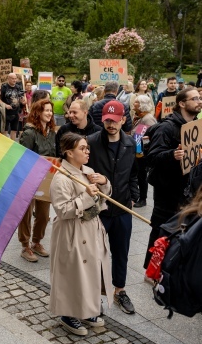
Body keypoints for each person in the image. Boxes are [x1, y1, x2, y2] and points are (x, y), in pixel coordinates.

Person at [50, 132, 112, 337]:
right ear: (69, 152)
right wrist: (86, 196)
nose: (87, 151)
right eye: (82, 148)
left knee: (91, 271)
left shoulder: (88, 171)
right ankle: (68, 314)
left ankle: (87, 310)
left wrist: (103, 182)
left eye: (87, 148)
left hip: (91, 227)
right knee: (73, 273)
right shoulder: (61, 178)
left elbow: (101, 199)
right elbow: (63, 209)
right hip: (72, 232)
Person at [86, 100, 139, 315]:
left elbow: (134, 173)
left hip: (123, 207)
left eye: (115, 120)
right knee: (93, 251)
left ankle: (120, 290)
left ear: (123, 120)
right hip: (99, 207)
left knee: (121, 251)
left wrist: (134, 196)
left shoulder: (129, 143)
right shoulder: (91, 141)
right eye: (107, 120)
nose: (111, 125)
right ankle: (90, 294)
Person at [143, 88, 201, 276]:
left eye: (199, 98)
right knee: (161, 229)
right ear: (182, 103)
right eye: (195, 99)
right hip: (167, 190)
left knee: (181, 229)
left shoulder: (195, 126)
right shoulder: (166, 128)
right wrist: (172, 155)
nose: (199, 101)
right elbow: (151, 157)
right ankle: (150, 270)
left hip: (187, 188)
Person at [18, 99, 56, 262]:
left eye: (51, 111)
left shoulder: (52, 131)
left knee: (43, 214)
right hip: (29, 177)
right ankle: (25, 245)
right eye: (46, 110)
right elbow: (23, 157)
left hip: (46, 178)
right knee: (26, 213)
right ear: (37, 112)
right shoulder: (29, 132)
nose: (49, 113)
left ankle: (37, 242)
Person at [131, 95, 157, 208]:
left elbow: (149, 137)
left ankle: (143, 199)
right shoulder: (141, 117)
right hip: (138, 152)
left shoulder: (148, 119)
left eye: (136, 102)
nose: (134, 103)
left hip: (142, 154)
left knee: (142, 176)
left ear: (142, 105)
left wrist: (139, 151)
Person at [1, 73, 25, 140]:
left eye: (15, 78)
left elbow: (20, 97)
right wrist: (5, 105)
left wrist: (22, 100)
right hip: (6, 113)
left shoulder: (18, 87)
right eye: (12, 78)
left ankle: (12, 145)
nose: (14, 80)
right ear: (8, 78)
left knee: (14, 130)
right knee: (5, 131)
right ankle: (5, 145)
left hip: (15, 112)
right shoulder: (4, 87)